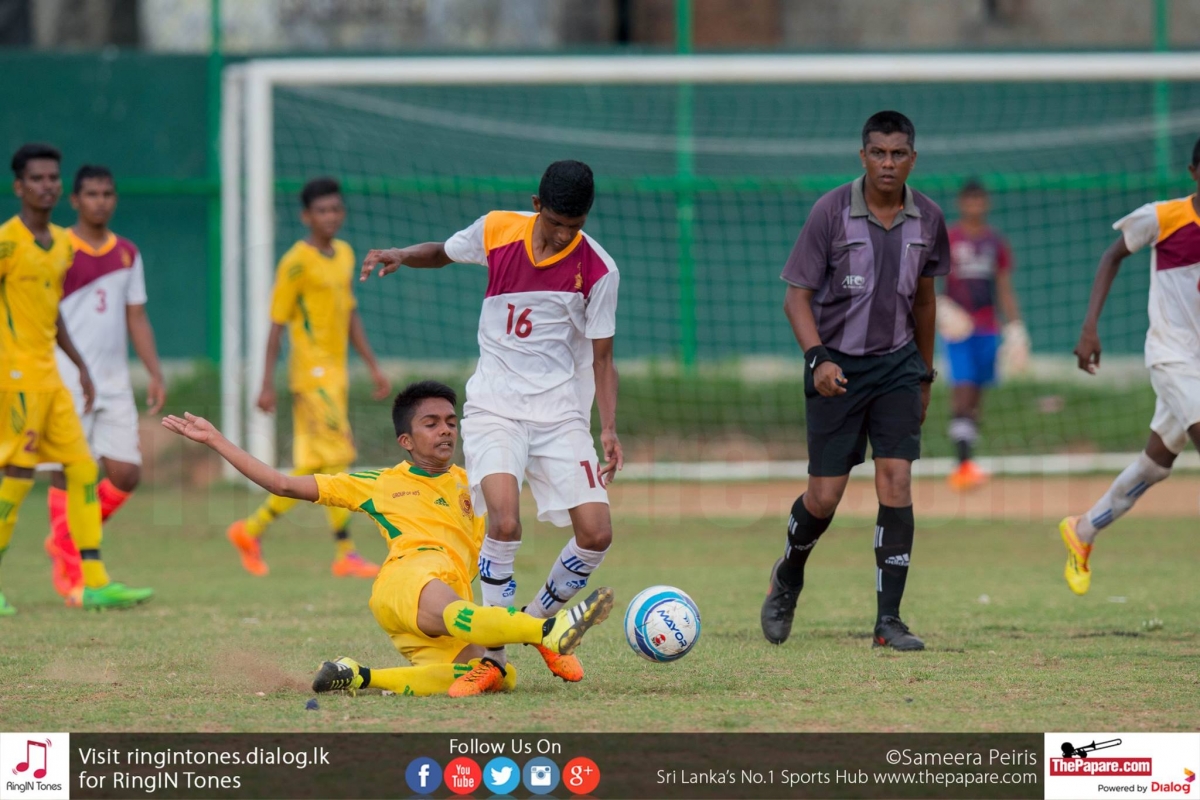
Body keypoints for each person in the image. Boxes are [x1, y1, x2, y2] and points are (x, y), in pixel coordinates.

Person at [162, 381, 614, 698]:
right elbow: (282, 484)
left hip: (445, 604)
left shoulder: (476, 484)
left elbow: (501, 544)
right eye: (431, 423)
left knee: (498, 676)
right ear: (406, 440)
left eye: (451, 422)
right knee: (465, 616)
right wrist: (217, 441)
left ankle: (359, 675)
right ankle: (547, 632)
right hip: (408, 582)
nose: (446, 430)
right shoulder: (379, 483)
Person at [359, 160, 621, 692]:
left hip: (561, 415)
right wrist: (401, 255)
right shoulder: (498, 229)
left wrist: (609, 429)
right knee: (502, 523)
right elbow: (443, 252)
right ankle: (495, 659)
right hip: (496, 408)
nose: (564, 235)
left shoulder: (599, 270)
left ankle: (537, 624)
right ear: (536, 205)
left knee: (597, 534)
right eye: (556, 223)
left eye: (575, 226)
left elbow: (603, 358)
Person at [760, 111, 950, 652]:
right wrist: (817, 360)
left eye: (898, 154)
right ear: (863, 156)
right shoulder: (830, 212)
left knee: (897, 481)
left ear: (913, 158)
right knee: (824, 498)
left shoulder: (929, 219)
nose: (888, 163)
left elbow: (925, 302)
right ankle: (788, 575)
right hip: (836, 368)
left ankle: (889, 623)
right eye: (878, 153)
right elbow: (795, 298)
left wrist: (924, 375)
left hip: (897, 366)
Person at [0, 143, 152, 614]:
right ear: (19, 186)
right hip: (17, 380)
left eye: (52, 177)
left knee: (84, 470)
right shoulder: (7, 242)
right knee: (17, 477)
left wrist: (81, 366)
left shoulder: (60, 245)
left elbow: (54, 315)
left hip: (56, 377)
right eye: (37, 179)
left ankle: (94, 582)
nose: (46, 185)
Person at [226, 177, 391, 579]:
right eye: (321, 210)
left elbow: (349, 313)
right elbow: (276, 324)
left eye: (335, 209)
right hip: (311, 375)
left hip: (336, 373)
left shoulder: (345, 254)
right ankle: (345, 552)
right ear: (306, 216)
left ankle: (250, 530)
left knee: (314, 465)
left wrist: (371, 365)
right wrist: (266, 383)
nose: (330, 216)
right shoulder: (295, 262)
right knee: (339, 457)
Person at [1059, 136, 1200, 595]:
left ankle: (1082, 530)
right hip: (1172, 355)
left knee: (1156, 464)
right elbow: (1112, 256)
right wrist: (1089, 327)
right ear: (1194, 173)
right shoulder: (1165, 217)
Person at [40, 165, 167, 605]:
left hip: (113, 382)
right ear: (75, 200)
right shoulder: (57, 247)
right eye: (92, 194)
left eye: (107, 193)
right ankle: (74, 574)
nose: (101, 201)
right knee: (68, 472)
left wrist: (154, 371)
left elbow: (137, 316)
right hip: (64, 376)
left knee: (126, 474)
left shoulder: (127, 252)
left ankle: (64, 538)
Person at [939, 179, 1027, 490]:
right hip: (958, 328)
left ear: (986, 203)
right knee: (962, 390)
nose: (975, 206)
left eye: (980, 200)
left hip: (987, 327)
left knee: (976, 395)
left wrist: (1016, 327)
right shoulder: (948, 238)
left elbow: (1004, 286)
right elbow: (926, 278)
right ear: (961, 203)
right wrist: (940, 309)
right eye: (970, 200)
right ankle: (961, 465)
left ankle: (967, 462)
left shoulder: (995, 242)